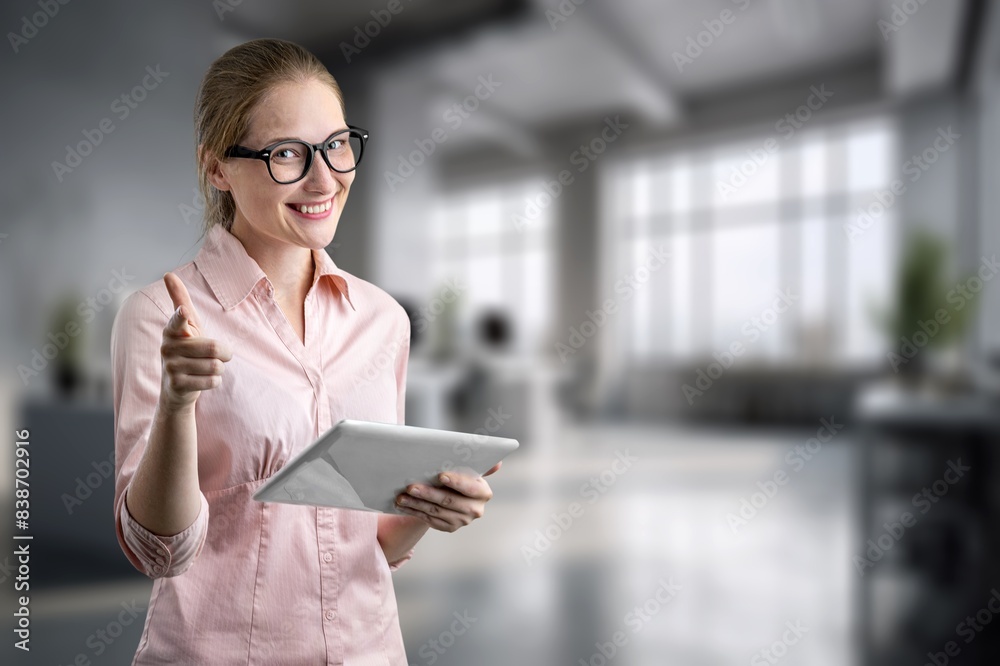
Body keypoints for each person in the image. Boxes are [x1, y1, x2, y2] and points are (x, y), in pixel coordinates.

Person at [111, 38, 500, 665]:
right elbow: (159, 553)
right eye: (286, 154)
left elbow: (373, 541)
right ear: (218, 168)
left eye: (336, 145)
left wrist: (429, 509)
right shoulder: (161, 317)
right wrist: (177, 405)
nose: (325, 179)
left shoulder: (383, 321)